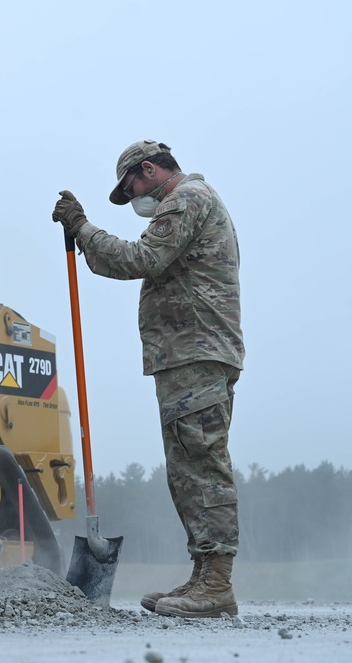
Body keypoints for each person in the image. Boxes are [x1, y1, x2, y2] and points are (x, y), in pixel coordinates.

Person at [52, 139, 244, 618]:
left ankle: (217, 583)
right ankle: (204, 576)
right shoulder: (192, 202)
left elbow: (141, 259)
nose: (134, 196)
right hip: (186, 355)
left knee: (202, 466)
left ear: (150, 169)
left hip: (195, 353)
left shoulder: (187, 199)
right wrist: (85, 235)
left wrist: (82, 228)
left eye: (132, 185)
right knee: (187, 470)